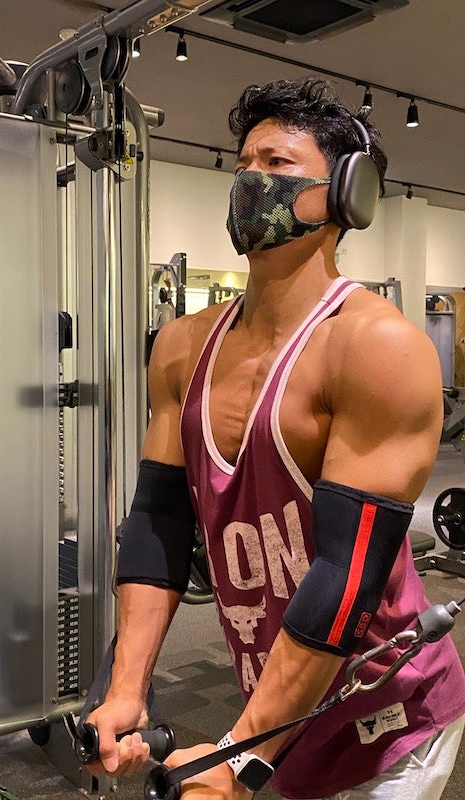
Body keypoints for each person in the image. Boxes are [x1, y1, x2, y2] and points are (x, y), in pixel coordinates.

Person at [86, 77, 465, 799]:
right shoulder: (181, 348)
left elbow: (344, 579)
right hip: (279, 702)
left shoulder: (377, 349)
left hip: (388, 711)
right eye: (243, 165)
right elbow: (158, 524)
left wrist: (239, 757)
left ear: (348, 194)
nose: (250, 181)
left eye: (277, 164)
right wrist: (127, 688)